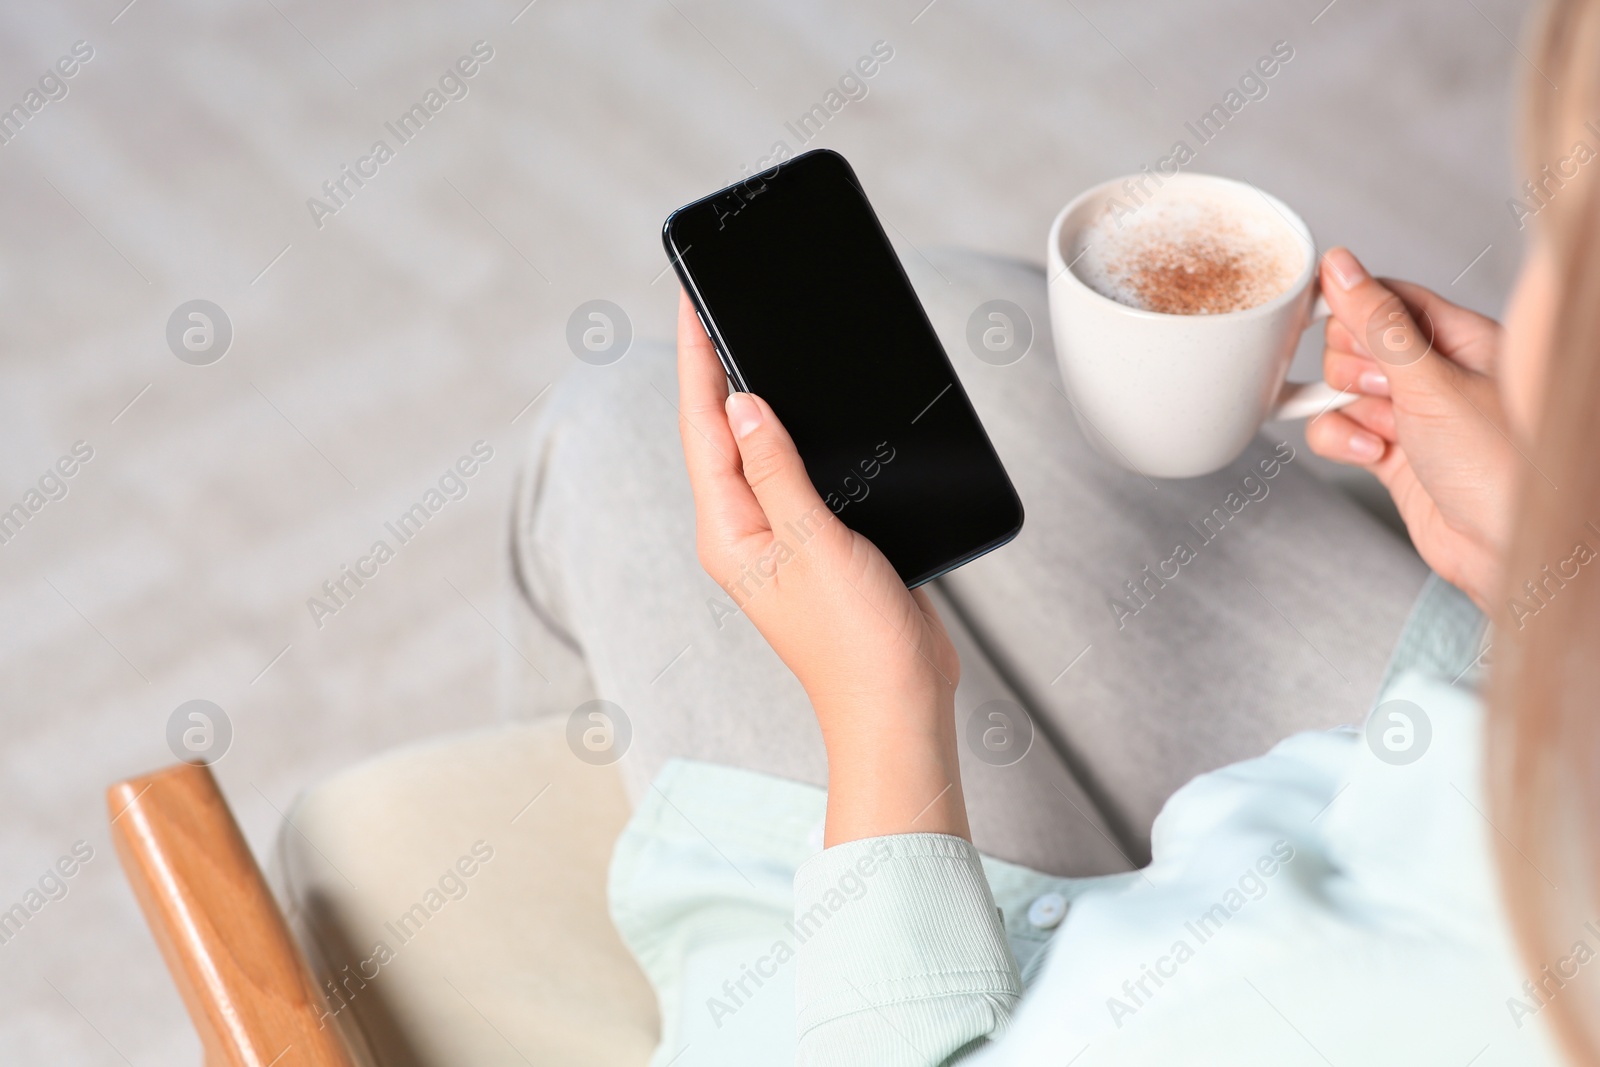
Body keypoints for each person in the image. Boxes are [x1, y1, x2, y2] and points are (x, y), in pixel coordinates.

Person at [511, 1, 1600, 1062]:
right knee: (958, 319)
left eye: (1558, 240)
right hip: (1446, 771)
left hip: (971, 991)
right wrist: (1545, 573)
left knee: (617, 422)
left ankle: (539, 800)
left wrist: (882, 711)